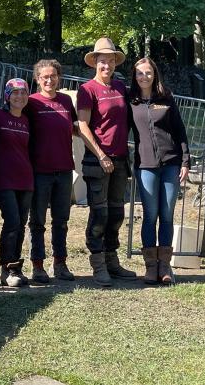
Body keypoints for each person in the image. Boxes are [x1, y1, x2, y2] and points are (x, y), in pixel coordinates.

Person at [76, 37, 137, 287]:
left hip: (121, 159)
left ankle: (113, 261)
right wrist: (101, 155)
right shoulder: (87, 90)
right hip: (98, 159)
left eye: (110, 61)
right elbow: (82, 125)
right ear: (95, 63)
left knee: (116, 212)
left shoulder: (121, 87)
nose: (107, 65)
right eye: (102, 61)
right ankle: (98, 264)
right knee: (99, 213)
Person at [129, 57, 190, 285]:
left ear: (155, 74)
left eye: (147, 72)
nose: (143, 77)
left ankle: (165, 267)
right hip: (145, 166)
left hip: (171, 164)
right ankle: (150, 267)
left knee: (166, 216)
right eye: (139, 74)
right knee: (149, 216)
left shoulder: (166, 98)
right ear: (134, 77)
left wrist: (185, 161)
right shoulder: (131, 101)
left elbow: (180, 130)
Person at [24, 59, 77, 283]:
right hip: (39, 171)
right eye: (44, 76)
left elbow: (77, 128)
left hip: (64, 169)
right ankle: (37, 265)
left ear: (58, 78)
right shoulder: (30, 102)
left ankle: (60, 263)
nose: (49, 80)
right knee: (37, 221)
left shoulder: (65, 101)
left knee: (61, 220)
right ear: (37, 79)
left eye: (53, 76)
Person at [0, 78, 32, 287]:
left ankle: (16, 268)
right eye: (14, 92)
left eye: (23, 92)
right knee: (12, 222)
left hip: (26, 179)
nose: (19, 96)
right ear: (7, 95)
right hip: (4, 179)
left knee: (21, 225)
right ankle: (5, 269)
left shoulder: (27, 120)